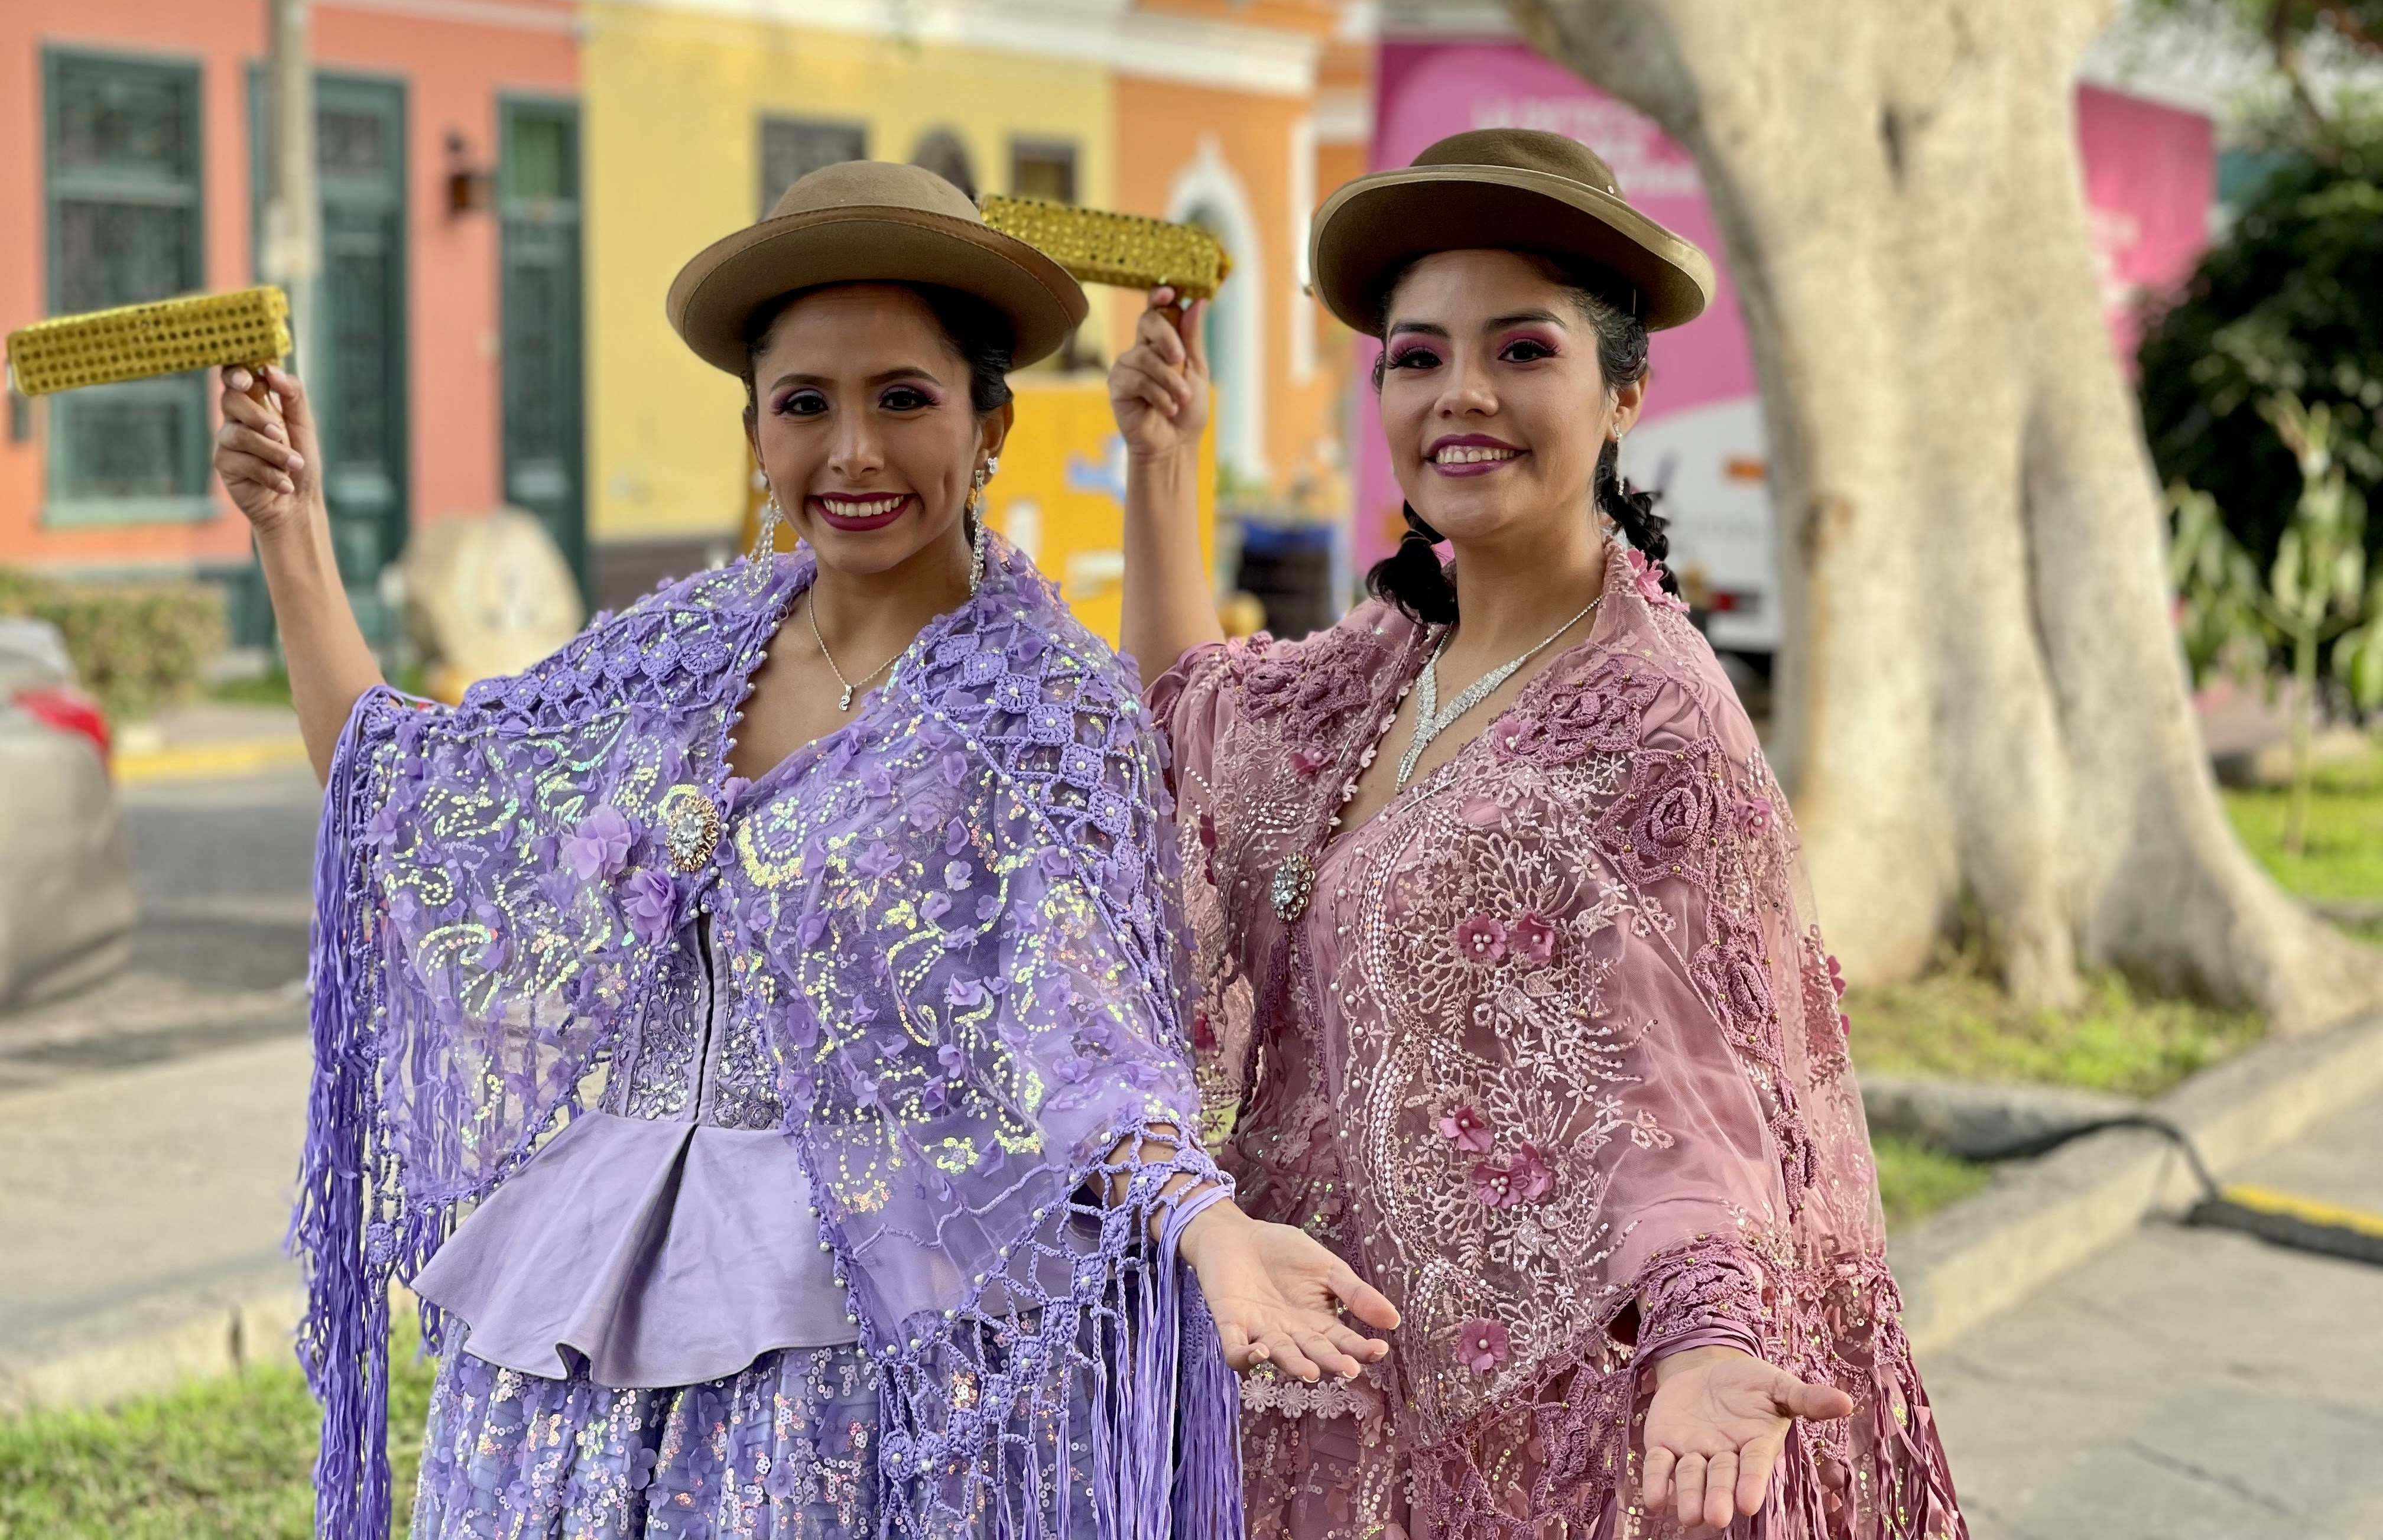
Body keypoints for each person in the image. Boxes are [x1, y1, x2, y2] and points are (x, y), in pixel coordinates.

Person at [215, 160, 1397, 1540]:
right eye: (805, 407)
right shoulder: (687, 645)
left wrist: (1205, 1225)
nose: (852, 454)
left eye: (903, 399)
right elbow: (404, 790)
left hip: (865, 1377)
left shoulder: (1051, 705)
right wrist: (289, 529)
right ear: (755, 434)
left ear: (992, 420)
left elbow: (1092, 1042)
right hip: (580, 1338)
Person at [1108, 131, 1966, 1539]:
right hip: (1319, 1384)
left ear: (1624, 389)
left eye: (1522, 352)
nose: (1463, 397)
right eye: (1419, 356)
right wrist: (1162, 466)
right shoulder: (1393, 663)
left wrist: (1707, 1336)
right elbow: (1190, 723)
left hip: (1527, 1440)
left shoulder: (1654, 717)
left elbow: (1711, 1095)